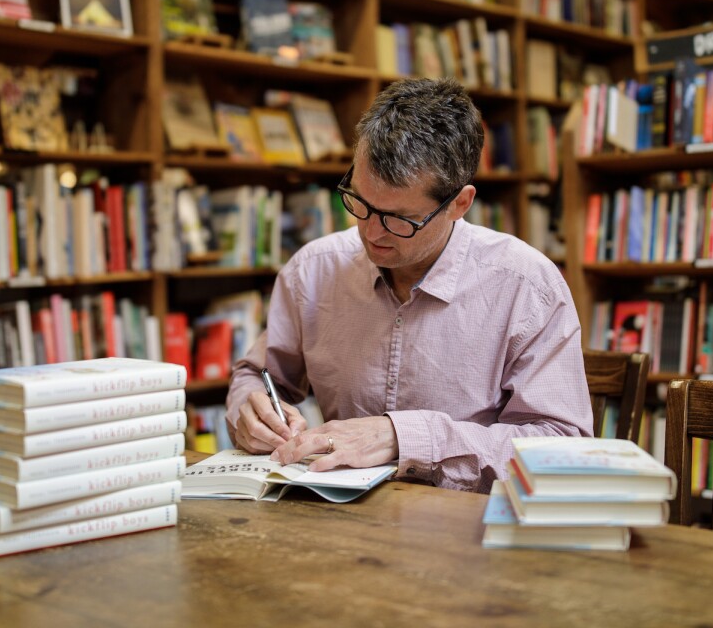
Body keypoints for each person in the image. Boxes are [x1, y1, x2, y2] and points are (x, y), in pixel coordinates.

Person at [225, 78, 593, 493]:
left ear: (460, 203)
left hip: (469, 535)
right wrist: (251, 410)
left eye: (399, 218)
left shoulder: (527, 287)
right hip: (336, 526)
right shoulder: (313, 271)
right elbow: (256, 376)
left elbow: (565, 448)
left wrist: (405, 438)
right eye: (360, 202)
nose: (370, 232)